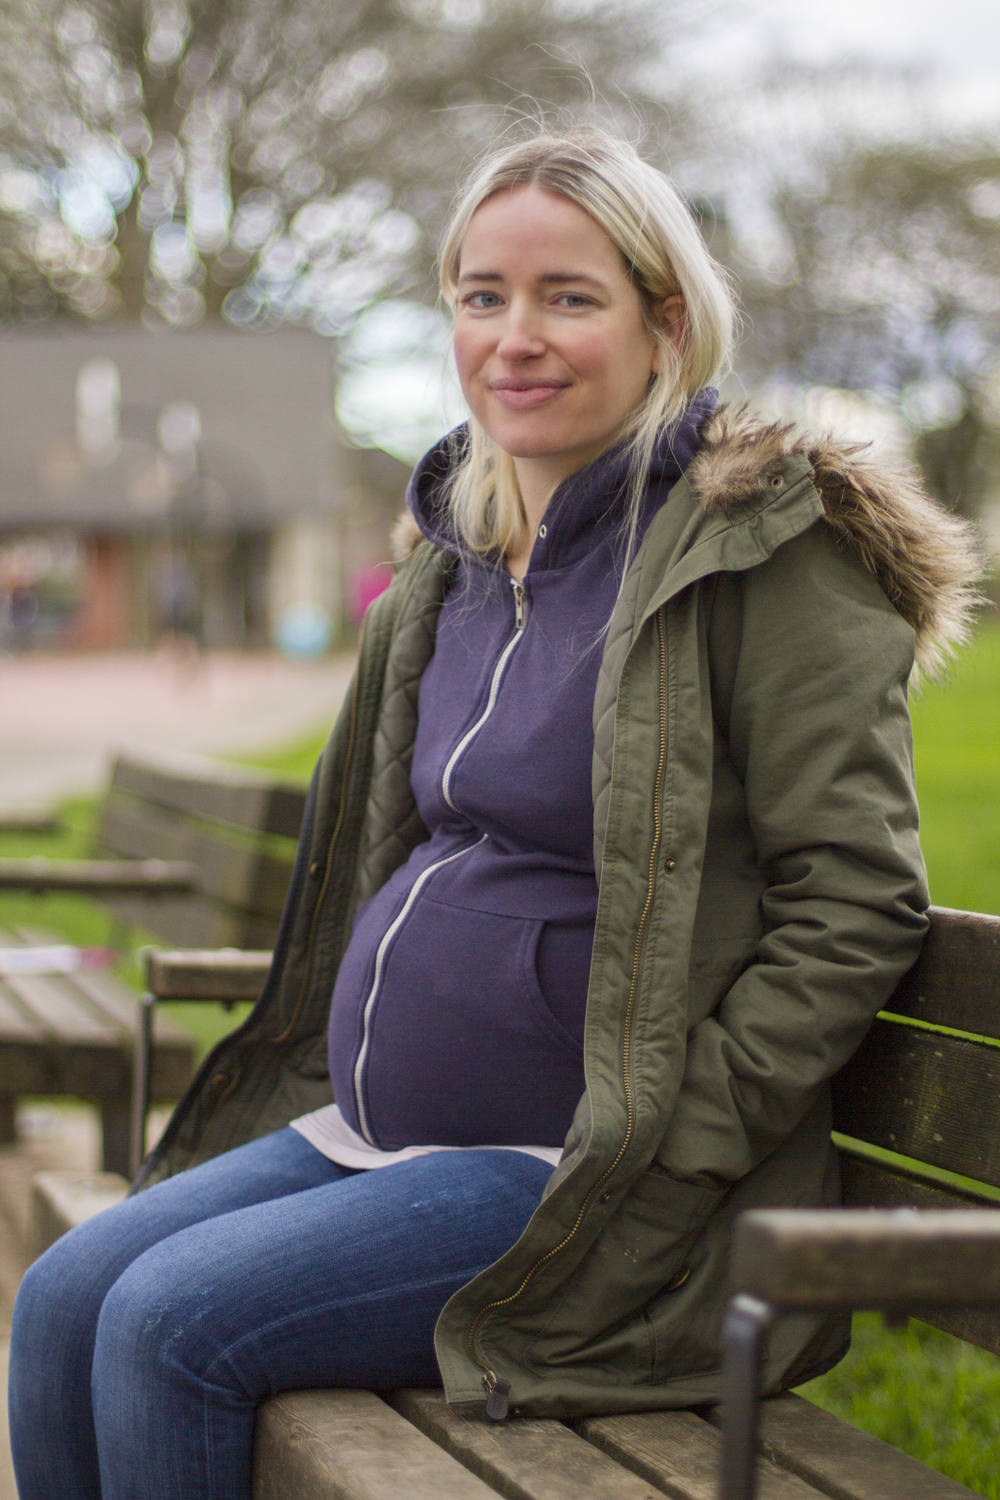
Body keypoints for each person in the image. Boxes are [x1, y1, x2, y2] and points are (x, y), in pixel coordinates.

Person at [8, 129, 982, 1500]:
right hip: (373, 1132)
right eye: (482, 295)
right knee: (62, 1301)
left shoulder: (761, 559)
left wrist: (670, 1139)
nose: (515, 336)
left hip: (577, 1177)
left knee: (170, 1330)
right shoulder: (459, 566)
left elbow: (857, 900)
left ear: (666, 323)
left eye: (568, 297)